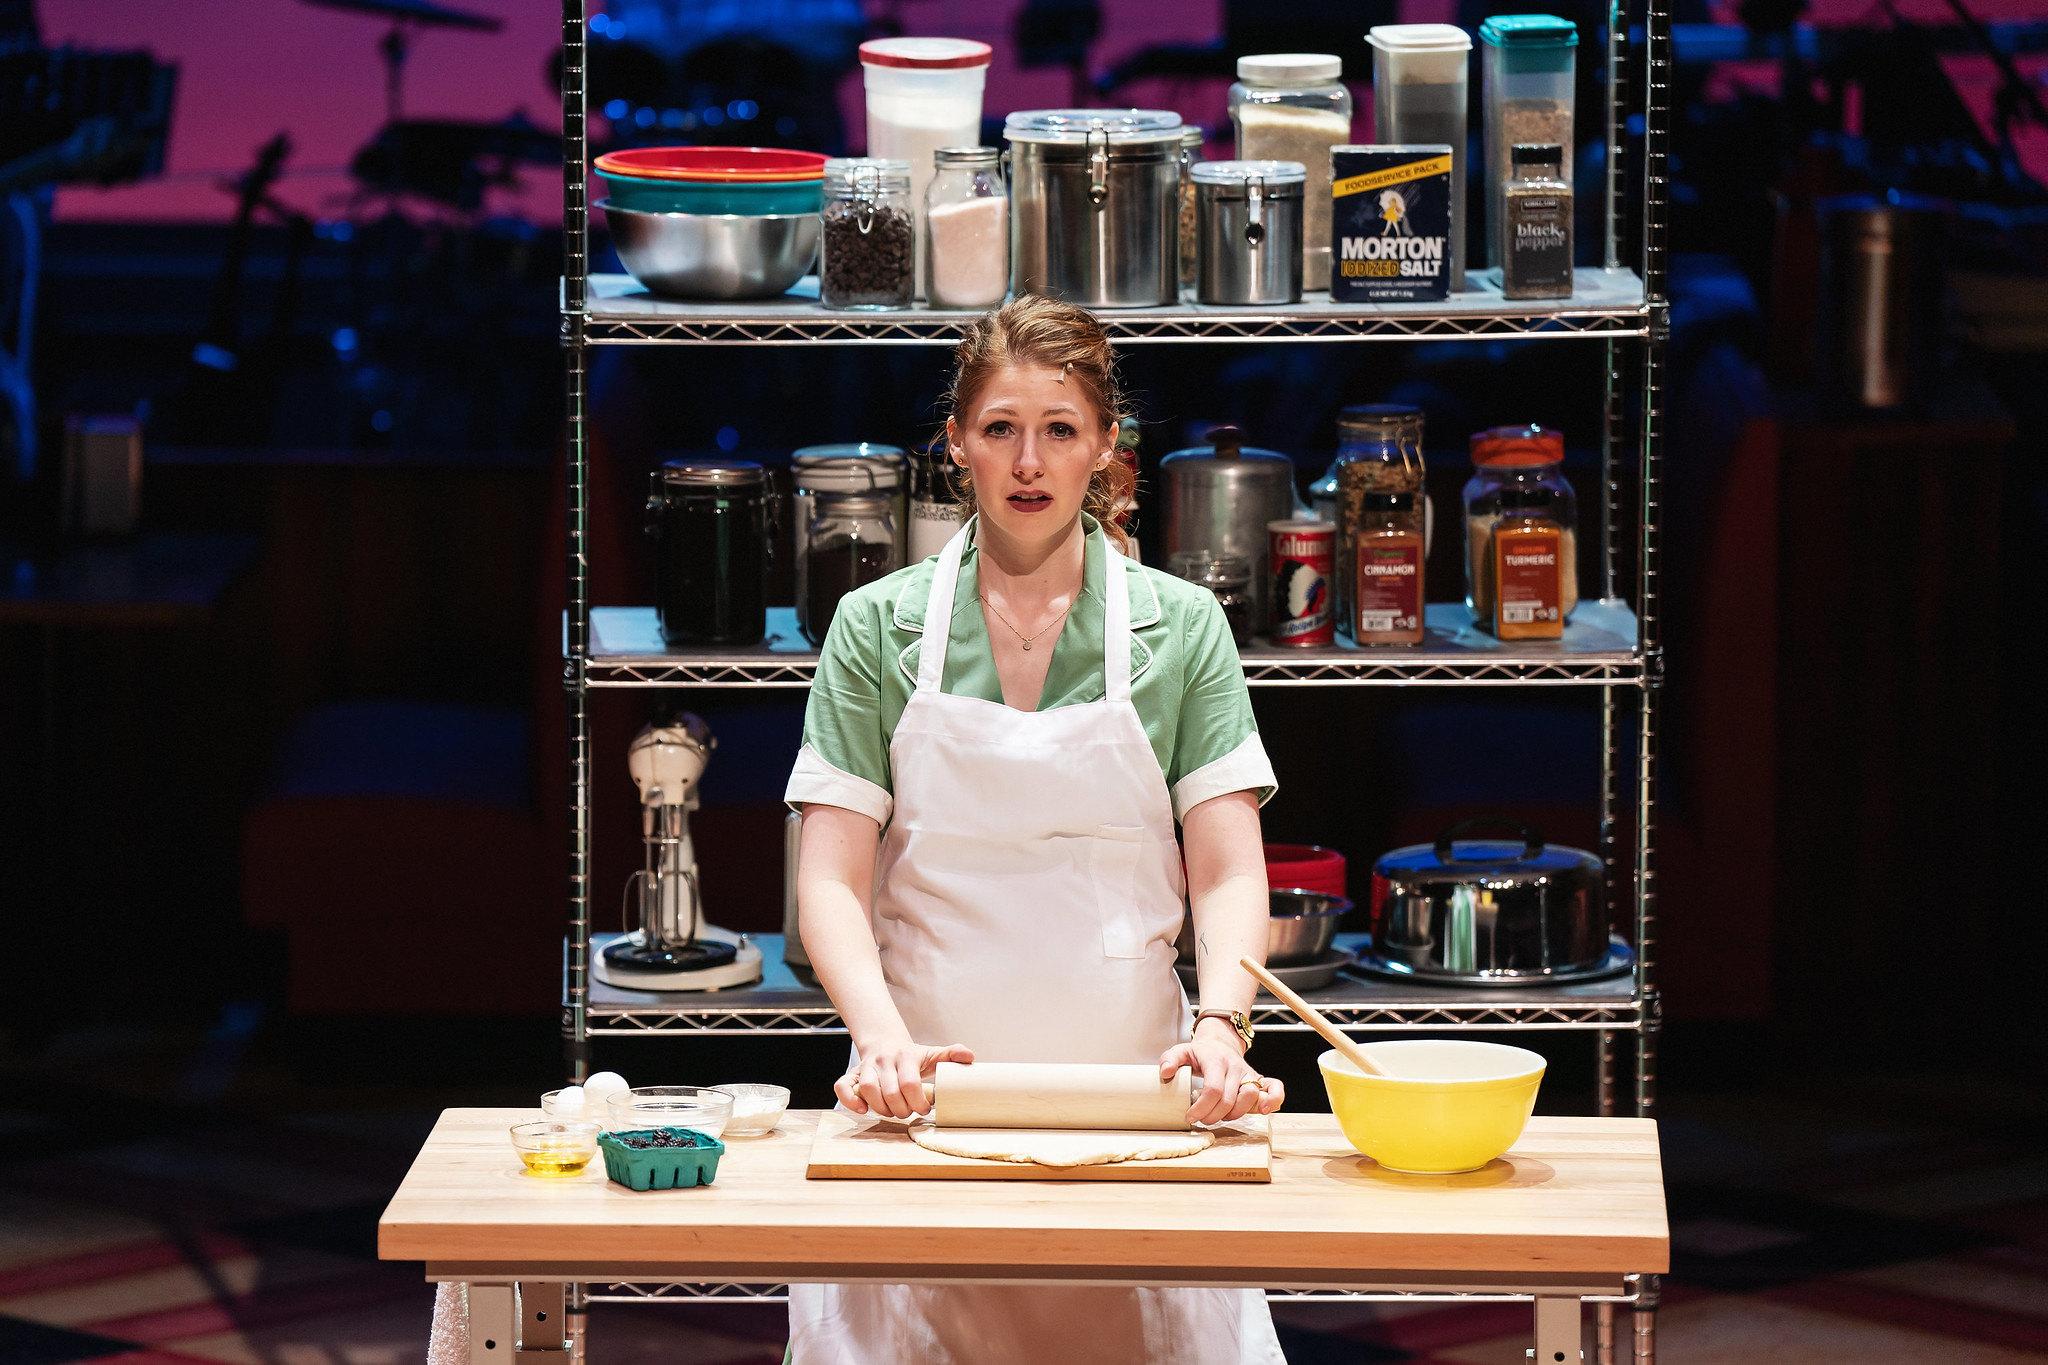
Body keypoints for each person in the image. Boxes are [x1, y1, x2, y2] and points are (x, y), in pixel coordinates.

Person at [785, 294, 1289, 1365]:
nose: (1028, 460)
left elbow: (1227, 866)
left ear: (1105, 448)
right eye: (1000, 428)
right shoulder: (877, 627)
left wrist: (1223, 1027)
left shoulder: (1180, 626)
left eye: (1059, 429)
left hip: (1135, 1104)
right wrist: (875, 1034)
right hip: (918, 1096)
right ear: (956, 442)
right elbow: (829, 877)